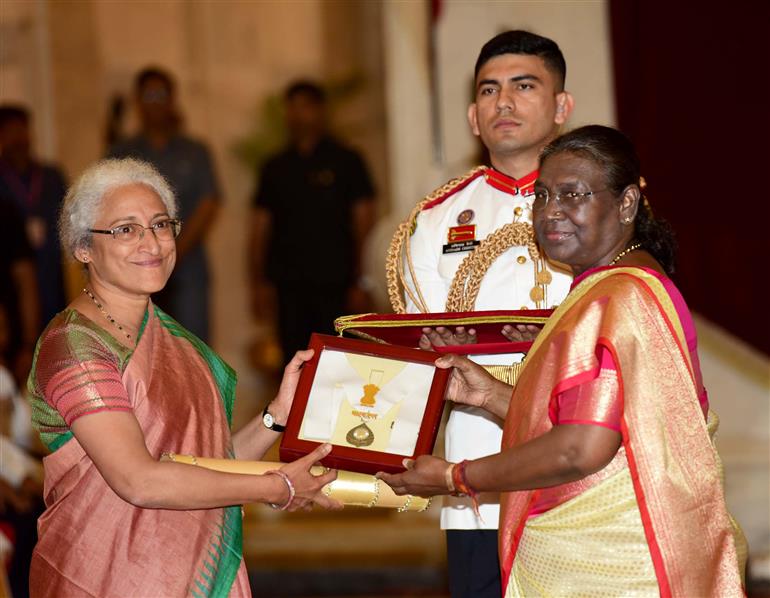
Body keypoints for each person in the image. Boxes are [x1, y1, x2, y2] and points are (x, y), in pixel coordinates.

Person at [379, 125, 747, 596]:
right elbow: (609, 425)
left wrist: (456, 476)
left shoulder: (617, 297)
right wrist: (491, 394)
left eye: (573, 195)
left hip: (616, 568)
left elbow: (581, 449)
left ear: (627, 204)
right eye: (543, 195)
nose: (551, 212)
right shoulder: (625, 284)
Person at [26, 158, 340, 597]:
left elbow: (206, 463)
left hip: (185, 574)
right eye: (125, 229)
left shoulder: (176, 343)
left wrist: (277, 416)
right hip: (104, 580)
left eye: (160, 224)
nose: (151, 243)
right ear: (83, 247)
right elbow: (140, 480)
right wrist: (277, 485)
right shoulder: (75, 347)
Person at [384, 31, 574, 596]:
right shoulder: (435, 221)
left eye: (524, 86)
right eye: (489, 90)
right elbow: (422, 355)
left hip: (584, 463)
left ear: (562, 106)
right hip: (477, 475)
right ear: (472, 115)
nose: (504, 103)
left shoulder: (603, 208)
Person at [249, 80, 376, 364]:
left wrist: (362, 280)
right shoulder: (275, 167)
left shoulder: (347, 161)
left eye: (305, 106)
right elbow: (260, 227)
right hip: (289, 284)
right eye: (292, 108)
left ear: (320, 111)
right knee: (294, 358)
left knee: (338, 359)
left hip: (337, 283)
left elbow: (364, 223)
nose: (298, 114)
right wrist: (258, 283)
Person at [108, 67, 220, 342]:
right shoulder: (121, 152)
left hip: (188, 262)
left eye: (161, 94)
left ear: (172, 99)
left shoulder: (195, 151)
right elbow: (110, 206)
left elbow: (209, 203)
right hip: (136, 264)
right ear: (137, 101)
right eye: (148, 94)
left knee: (193, 344)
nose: (155, 101)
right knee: (140, 345)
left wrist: (173, 250)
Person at [0, 105, 65, 336]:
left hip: (51, 275)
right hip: (12, 286)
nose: (18, 137)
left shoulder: (51, 177)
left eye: (22, 130)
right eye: (11, 131)